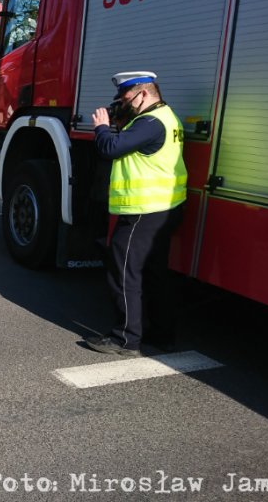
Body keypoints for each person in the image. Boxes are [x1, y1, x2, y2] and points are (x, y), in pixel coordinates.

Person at [84, 71, 187, 357]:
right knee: (155, 274)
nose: (122, 103)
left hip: (144, 211)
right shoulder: (168, 117)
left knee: (125, 273)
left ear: (143, 94)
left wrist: (102, 127)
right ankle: (162, 335)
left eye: (126, 97)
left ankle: (125, 339)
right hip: (164, 208)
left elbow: (111, 148)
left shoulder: (150, 122)